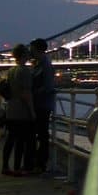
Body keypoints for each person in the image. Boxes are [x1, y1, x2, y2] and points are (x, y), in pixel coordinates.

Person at [1, 43, 35, 176]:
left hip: (10, 109)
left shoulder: (11, 70)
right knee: (21, 140)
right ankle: (17, 168)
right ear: (24, 55)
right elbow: (26, 94)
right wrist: (32, 111)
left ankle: (5, 166)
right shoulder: (25, 71)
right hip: (21, 110)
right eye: (27, 53)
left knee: (10, 139)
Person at [29, 38, 56, 174]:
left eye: (31, 48)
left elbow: (49, 87)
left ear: (37, 50)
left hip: (42, 105)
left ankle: (41, 163)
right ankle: (38, 162)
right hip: (39, 104)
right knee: (39, 134)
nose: (30, 51)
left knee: (42, 134)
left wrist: (32, 92)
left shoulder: (45, 65)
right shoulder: (38, 63)